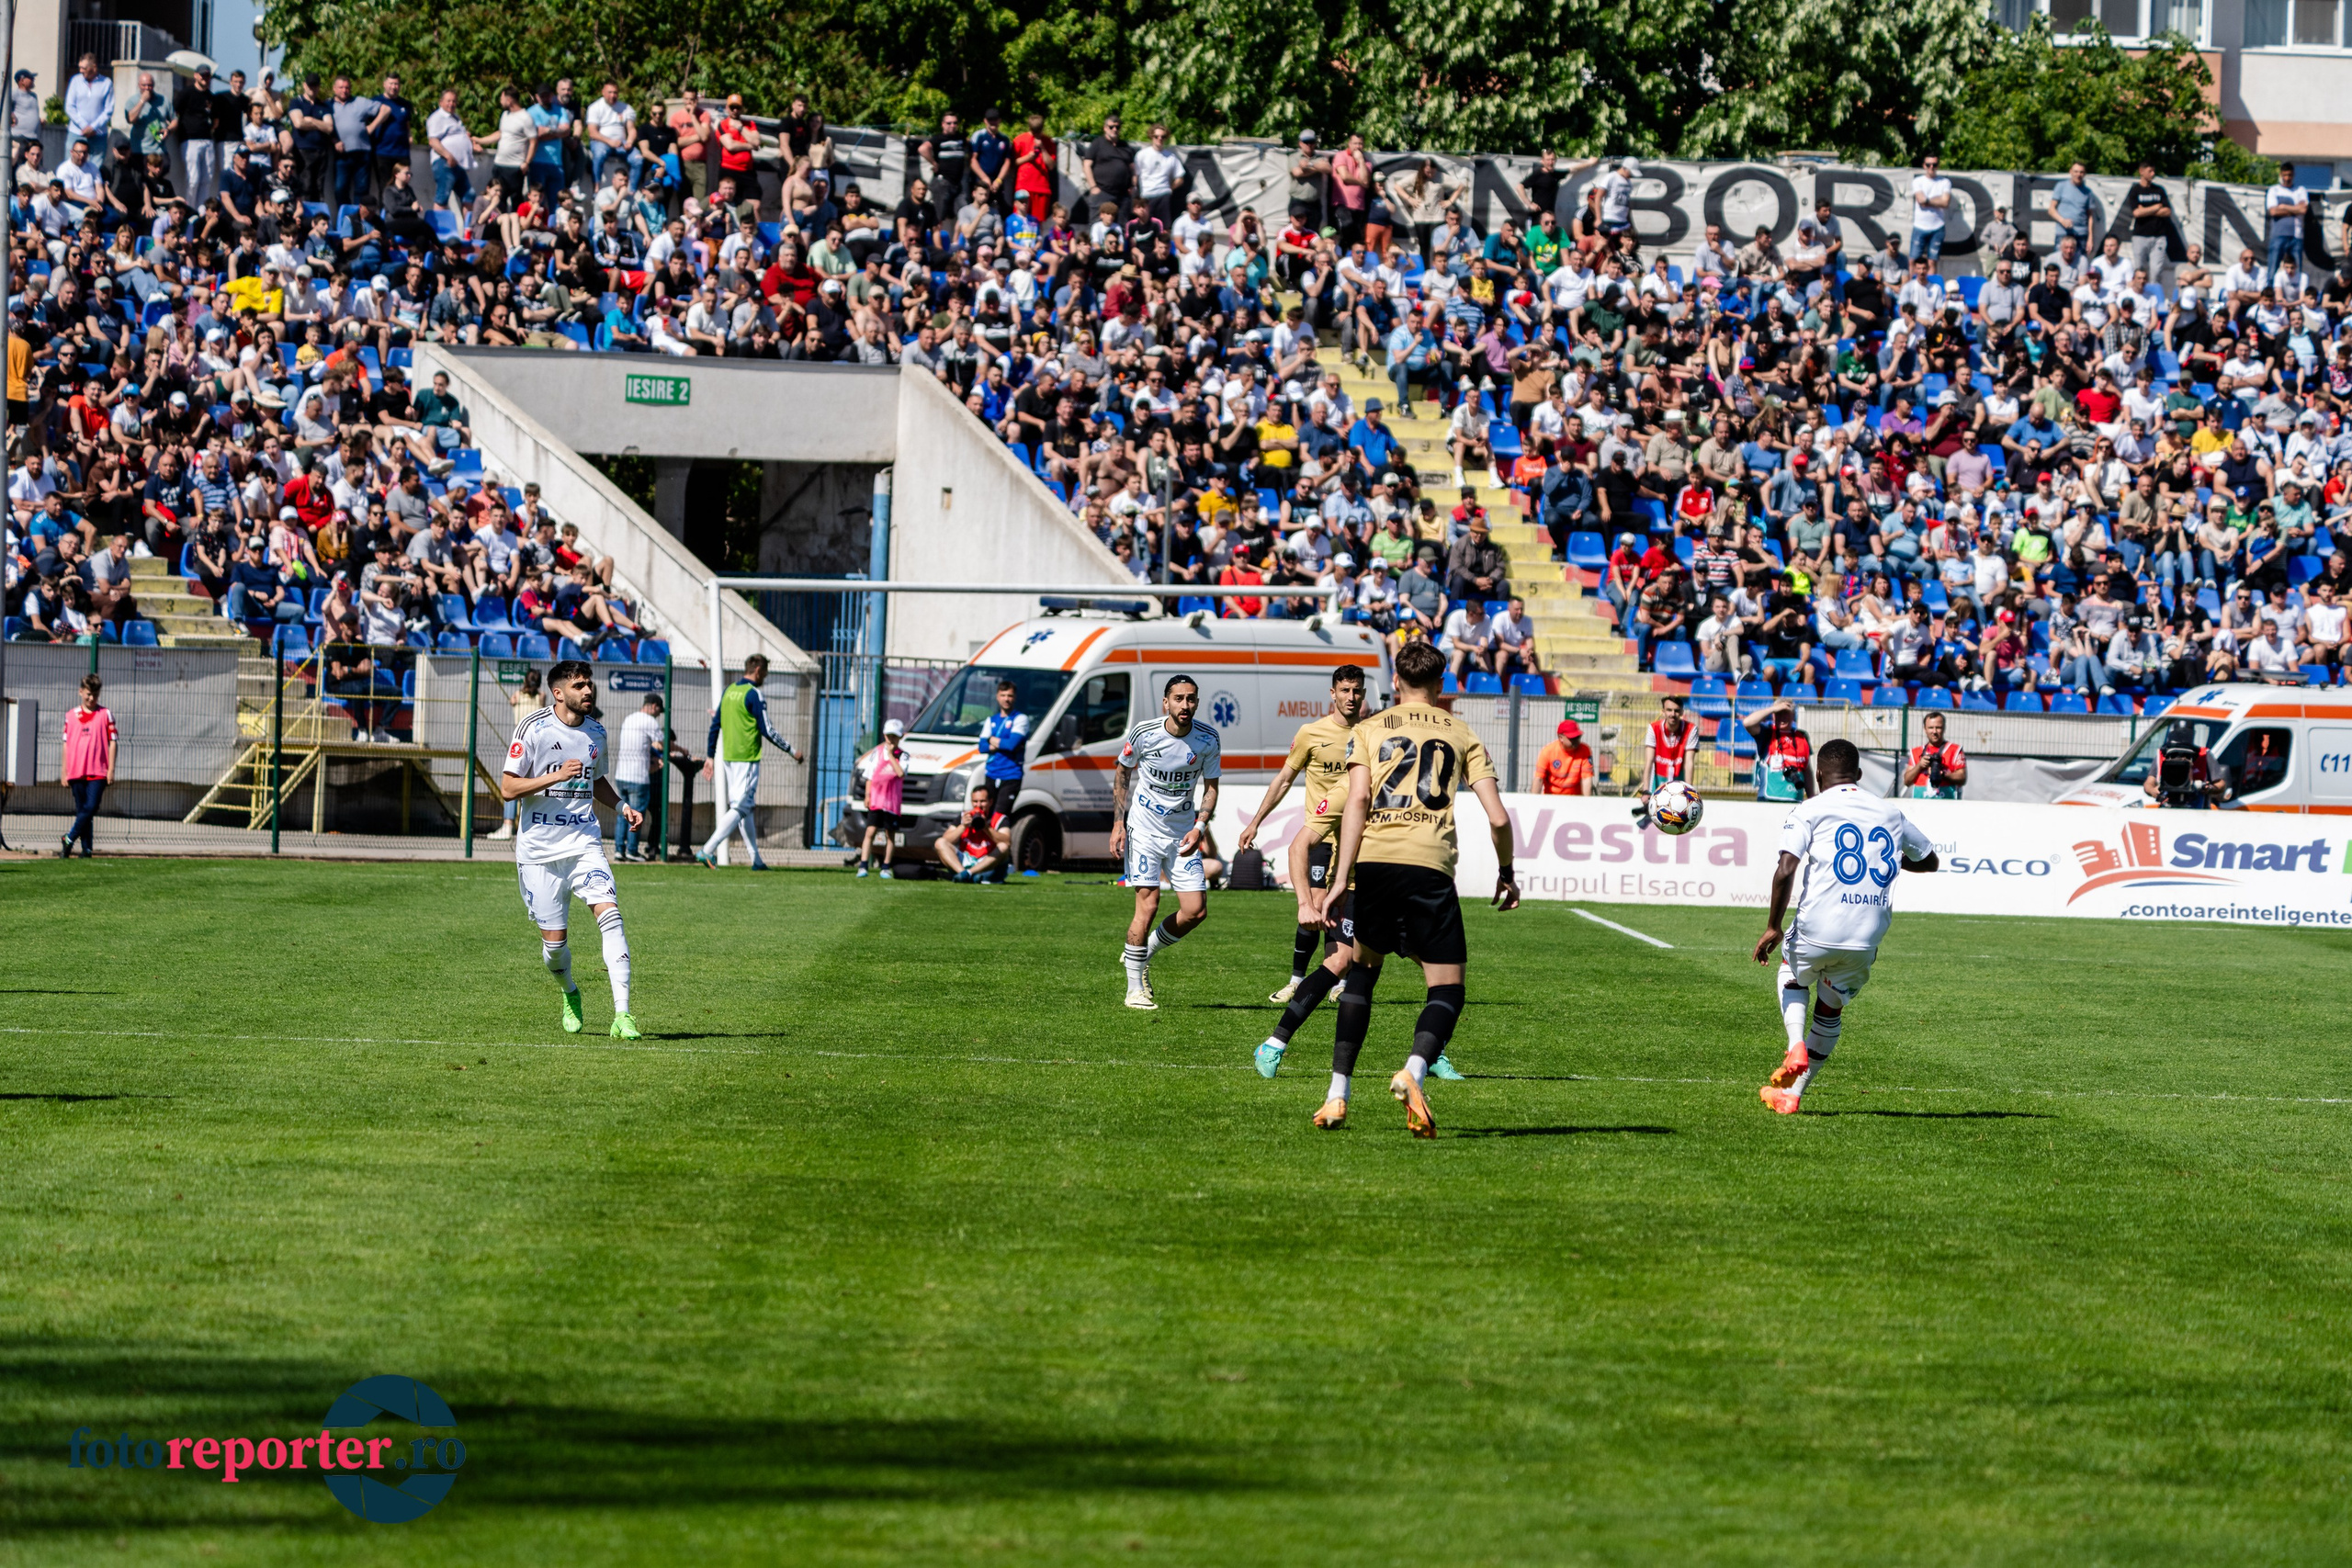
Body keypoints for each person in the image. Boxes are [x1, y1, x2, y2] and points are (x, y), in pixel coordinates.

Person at [1308, 639, 1519, 1134]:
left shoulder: (1367, 729)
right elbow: (1499, 817)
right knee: (1447, 987)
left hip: (1375, 864)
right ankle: (1413, 1069)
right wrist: (1506, 871)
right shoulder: (1463, 732)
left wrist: (1342, 878)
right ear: (1441, 686)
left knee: (1361, 973)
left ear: (1396, 683)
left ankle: (1337, 1095)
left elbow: (1357, 799)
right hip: (1429, 866)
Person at [1752, 738, 1939, 1114]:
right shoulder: (1890, 813)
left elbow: (1786, 868)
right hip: (1867, 934)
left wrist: (1773, 926)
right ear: (1858, 775)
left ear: (1818, 774)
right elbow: (1930, 861)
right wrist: (1895, 863)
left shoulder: (1809, 809)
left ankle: (1794, 1045)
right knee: (1830, 1010)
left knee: (1791, 971)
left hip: (1818, 929)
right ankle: (1793, 1096)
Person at [1234, 666, 1384, 1048]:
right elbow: (1284, 779)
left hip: (1360, 842)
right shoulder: (1311, 734)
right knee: (1316, 910)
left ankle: (1339, 975)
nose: (1352, 697)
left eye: (1358, 691)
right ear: (1332, 693)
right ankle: (1300, 980)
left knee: (1343, 916)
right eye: (1345, 690)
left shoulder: (1372, 734)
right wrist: (1255, 822)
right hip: (1318, 836)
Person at [500, 659, 644, 1040]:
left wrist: (620, 806)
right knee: (555, 949)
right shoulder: (533, 728)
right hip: (539, 852)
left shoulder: (596, 732)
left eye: (589, 684)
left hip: (584, 843)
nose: (588, 691)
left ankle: (623, 1015)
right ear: (558, 692)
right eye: (580, 685)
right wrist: (555, 775)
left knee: (610, 916)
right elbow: (508, 789)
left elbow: (597, 781)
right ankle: (570, 993)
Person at [1112, 673, 1222, 1010]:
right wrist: (1118, 822)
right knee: (1148, 904)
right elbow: (1122, 772)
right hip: (1144, 830)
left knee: (1196, 911)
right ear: (1166, 702)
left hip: (1181, 834)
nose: (1185, 705)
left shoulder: (1208, 740)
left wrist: (1199, 828)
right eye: (1178, 698)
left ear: (1197, 703)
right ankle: (1134, 990)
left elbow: (1212, 787)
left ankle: (1144, 955)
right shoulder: (1144, 733)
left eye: (1191, 699)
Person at [696, 654, 805, 869]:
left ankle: (756, 859)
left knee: (745, 808)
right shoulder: (754, 694)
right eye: (765, 672)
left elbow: (715, 725)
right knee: (741, 807)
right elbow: (768, 730)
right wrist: (792, 751)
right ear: (758, 670)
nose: (765, 676)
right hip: (746, 759)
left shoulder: (729, 691)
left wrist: (710, 756)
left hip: (729, 758)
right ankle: (707, 850)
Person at [59, 673, 116, 859]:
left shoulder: (105, 714)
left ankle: (69, 838)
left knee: (91, 807)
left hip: (98, 771)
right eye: (88, 694)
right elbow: (66, 744)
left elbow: (113, 741)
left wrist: (111, 769)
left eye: (95, 695)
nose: (92, 699)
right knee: (83, 809)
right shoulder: (70, 715)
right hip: (76, 771)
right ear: (81, 692)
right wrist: (64, 771)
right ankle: (87, 849)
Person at [488, 668, 543, 841]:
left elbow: (513, 702)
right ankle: (530, 825)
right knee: (533, 785)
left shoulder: (516, 695)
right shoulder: (541, 697)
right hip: (537, 746)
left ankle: (508, 825)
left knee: (512, 784)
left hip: (519, 744)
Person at [611, 694, 663, 861]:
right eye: (658, 711)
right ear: (654, 706)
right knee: (637, 814)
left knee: (623, 813)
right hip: (638, 776)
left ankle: (619, 850)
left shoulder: (629, 718)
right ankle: (632, 851)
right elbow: (662, 744)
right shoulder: (650, 721)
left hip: (621, 773)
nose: (658, 715)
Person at [1632, 694, 1694, 828]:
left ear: (1682, 712)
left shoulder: (1691, 729)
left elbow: (1689, 762)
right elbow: (1648, 761)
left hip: (1679, 778)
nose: (1673, 714)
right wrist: (1646, 791)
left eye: (1677, 711)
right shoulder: (1653, 729)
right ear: (1663, 712)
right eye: (1669, 710)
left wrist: (1689, 792)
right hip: (1658, 779)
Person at [856, 717, 908, 877]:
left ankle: (886, 866)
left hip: (891, 803)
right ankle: (863, 865)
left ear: (900, 737)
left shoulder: (903, 756)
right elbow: (870, 776)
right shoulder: (876, 753)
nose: (891, 739)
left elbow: (900, 773)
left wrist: (892, 756)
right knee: (870, 831)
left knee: (889, 835)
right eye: (889, 735)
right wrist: (868, 795)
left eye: (895, 736)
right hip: (877, 801)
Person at [1742, 695, 1815, 802]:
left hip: (1795, 800)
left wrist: (1811, 799)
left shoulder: (1802, 737)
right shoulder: (1767, 733)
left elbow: (1807, 771)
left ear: (1793, 716)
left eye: (1786, 713)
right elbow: (1748, 723)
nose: (1782, 717)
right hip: (1768, 800)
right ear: (1773, 716)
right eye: (1779, 713)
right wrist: (1773, 709)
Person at [976, 678, 1031, 812]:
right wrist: (998, 742)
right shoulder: (991, 720)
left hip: (1011, 775)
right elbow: (982, 747)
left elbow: (1011, 745)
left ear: (1015, 697)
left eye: (1010, 696)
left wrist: (991, 739)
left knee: (1000, 815)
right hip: (992, 773)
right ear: (997, 697)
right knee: (985, 814)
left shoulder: (1020, 718)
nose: (1006, 699)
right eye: (1003, 695)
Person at [935, 780, 1009, 880]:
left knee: (1003, 847)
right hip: (967, 859)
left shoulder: (999, 819)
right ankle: (963, 874)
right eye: (975, 801)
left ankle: (970, 873)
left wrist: (986, 828)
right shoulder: (964, 816)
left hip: (987, 862)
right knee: (939, 843)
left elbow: (1006, 842)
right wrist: (963, 826)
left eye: (982, 801)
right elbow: (946, 840)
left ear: (990, 802)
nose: (978, 805)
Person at [1902, 709, 1967, 799]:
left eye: (1938, 727)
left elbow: (1962, 778)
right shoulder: (1916, 752)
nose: (1934, 731)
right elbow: (1907, 781)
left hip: (1947, 804)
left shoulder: (1955, 750)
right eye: (1931, 728)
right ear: (1925, 729)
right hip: (1920, 805)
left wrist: (1943, 774)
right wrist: (1919, 766)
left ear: (1944, 728)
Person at [1534, 718, 1595, 795]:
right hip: (1552, 798)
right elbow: (1539, 779)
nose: (1576, 740)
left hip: (1575, 799)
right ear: (1561, 738)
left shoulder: (1585, 751)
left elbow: (1586, 779)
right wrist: (1533, 803)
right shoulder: (1547, 752)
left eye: (1578, 737)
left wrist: (1587, 803)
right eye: (1572, 738)